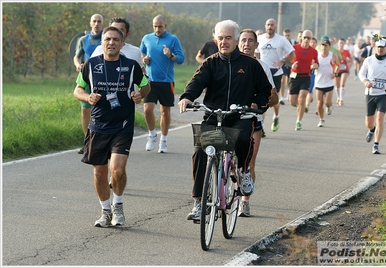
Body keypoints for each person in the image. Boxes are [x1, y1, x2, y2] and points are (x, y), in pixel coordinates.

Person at [178, 20, 273, 221]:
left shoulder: (251, 65)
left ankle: (244, 170)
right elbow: (196, 83)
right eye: (220, 38)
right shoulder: (210, 63)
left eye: (228, 38)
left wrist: (256, 105)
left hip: (240, 117)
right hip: (214, 116)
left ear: (236, 40)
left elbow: (265, 90)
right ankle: (198, 202)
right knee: (199, 151)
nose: (224, 42)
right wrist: (187, 97)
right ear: (216, 40)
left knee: (244, 138)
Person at [73, 26, 150, 227]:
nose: (111, 43)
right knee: (99, 172)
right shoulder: (90, 65)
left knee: (117, 170)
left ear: (122, 44)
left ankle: (118, 206)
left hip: (123, 124)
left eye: (116, 39)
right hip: (98, 125)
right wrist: (87, 97)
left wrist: (140, 95)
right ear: (102, 42)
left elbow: (146, 85)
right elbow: (78, 90)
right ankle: (105, 211)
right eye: (108, 39)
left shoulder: (132, 66)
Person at [238, 28, 276, 217]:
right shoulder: (228, 63)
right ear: (238, 43)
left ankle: (245, 201)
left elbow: (274, 98)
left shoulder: (262, 67)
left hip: (252, 121)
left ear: (256, 45)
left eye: (250, 41)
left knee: (249, 163)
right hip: (230, 120)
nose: (246, 44)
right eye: (243, 40)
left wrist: (260, 103)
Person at [140, 15, 185, 153]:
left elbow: (181, 59)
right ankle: (152, 134)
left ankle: (163, 140)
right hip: (150, 80)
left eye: (160, 26)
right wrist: (144, 59)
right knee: (147, 110)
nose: (157, 29)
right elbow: (141, 52)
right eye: (155, 26)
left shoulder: (173, 39)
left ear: (165, 25)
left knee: (165, 112)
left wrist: (170, 55)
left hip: (166, 81)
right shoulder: (147, 38)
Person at [255, 18, 295, 134]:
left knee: (273, 99)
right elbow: (256, 52)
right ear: (265, 26)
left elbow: (292, 54)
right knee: (262, 98)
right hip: (263, 72)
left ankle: (276, 116)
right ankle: (261, 127)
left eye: (272, 25)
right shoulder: (260, 39)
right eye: (268, 24)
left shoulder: (281, 40)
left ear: (275, 26)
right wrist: (256, 63)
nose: (270, 27)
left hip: (276, 72)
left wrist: (282, 61)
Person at [358, 39, 386, 154]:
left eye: (382, 47)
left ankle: (376, 145)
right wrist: (365, 81)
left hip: (383, 94)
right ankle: (371, 130)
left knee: (380, 119)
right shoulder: (369, 60)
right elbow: (361, 73)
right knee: (369, 122)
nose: (380, 49)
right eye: (378, 47)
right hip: (370, 94)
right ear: (375, 47)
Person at [73, 14, 104, 154]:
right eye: (94, 21)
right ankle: (88, 142)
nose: (96, 24)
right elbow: (77, 56)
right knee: (85, 109)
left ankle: (103, 140)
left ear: (103, 24)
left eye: (99, 21)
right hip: (86, 76)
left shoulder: (106, 38)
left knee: (101, 109)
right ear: (90, 23)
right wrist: (78, 65)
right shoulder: (83, 40)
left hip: (102, 76)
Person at [289, 29, 319, 130]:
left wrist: (315, 65)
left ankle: (298, 121)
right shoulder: (294, 48)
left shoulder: (313, 51)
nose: (306, 39)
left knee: (302, 100)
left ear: (311, 39)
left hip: (306, 77)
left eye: (309, 38)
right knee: (293, 102)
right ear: (301, 37)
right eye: (305, 37)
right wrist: (292, 65)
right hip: (295, 76)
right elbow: (287, 60)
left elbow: (317, 63)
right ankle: (300, 107)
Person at [314, 39, 340, 127]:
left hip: (329, 82)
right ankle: (321, 120)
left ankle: (329, 106)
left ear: (329, 47)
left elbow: (338, 65)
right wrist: (313, 66)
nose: (324, 47)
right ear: (320, 46)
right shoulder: (317, 56)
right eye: (322, 45)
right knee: (319, 102)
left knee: (327, 102)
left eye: (326, 46)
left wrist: (335, 73)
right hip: (319, 82)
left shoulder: (332, 56)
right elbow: (312, 64)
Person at [335, 38, 352, 106]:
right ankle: (338, 98)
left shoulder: (346, 51)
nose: (341, 44)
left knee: (342, 84)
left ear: (344, 44)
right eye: (340, 43)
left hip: (344, 69)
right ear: (338, 44)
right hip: (337, 69)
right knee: (337, 85)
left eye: (342, 43)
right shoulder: (335, 51)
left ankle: (341, 99)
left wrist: (348, 60)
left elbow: (350, 60)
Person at [280, 28, 295, 105]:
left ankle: (289, 94)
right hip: (283, 62)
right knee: (282, 80)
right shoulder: (280, 42)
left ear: (290, 35)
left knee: (289, 80)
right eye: (285, 35)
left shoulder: (293, 42)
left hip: (291, 63)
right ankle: (282, 97)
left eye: (288, 35)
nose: (287, 37)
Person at [305, 37, 318, 113]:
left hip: (315, 73)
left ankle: (308, 106)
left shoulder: (317, 52)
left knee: (312, 90)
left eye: (314, 42)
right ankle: (307, 103)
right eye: (311, 42)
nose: (312, 44)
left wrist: (315, 65)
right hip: (307, 73)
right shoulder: (306, 52)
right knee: (308, 90)